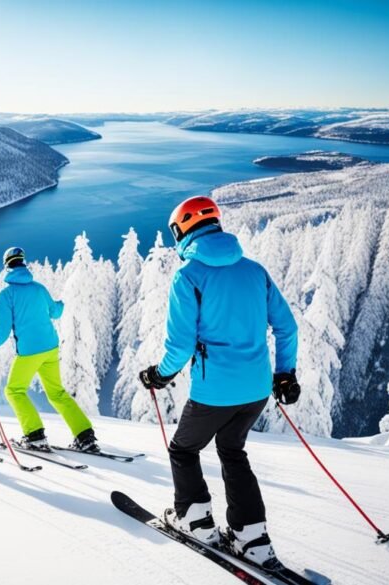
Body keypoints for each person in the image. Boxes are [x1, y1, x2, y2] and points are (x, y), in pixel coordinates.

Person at [138, 195, 299, 568]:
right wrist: (285, 374)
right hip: (257, 389)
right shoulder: (254, 270)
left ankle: (196, 522)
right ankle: (252, 539)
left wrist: (159, 375)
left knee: (183, 449)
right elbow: (286, 327)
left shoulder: (189, 275)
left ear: (183, 231)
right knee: (232, 450)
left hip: (215, 392)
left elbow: (178, 345)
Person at [0, 247, 99, 453]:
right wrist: (63, 301)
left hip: (30, 352)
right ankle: (85, 435)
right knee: (57, 393)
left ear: (7, 266)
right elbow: (56, 312)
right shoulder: (39, 288)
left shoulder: (6, 295)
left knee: (13, 390)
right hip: (50, 347)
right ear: (23, 262)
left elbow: (0, 335)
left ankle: (34, 435)